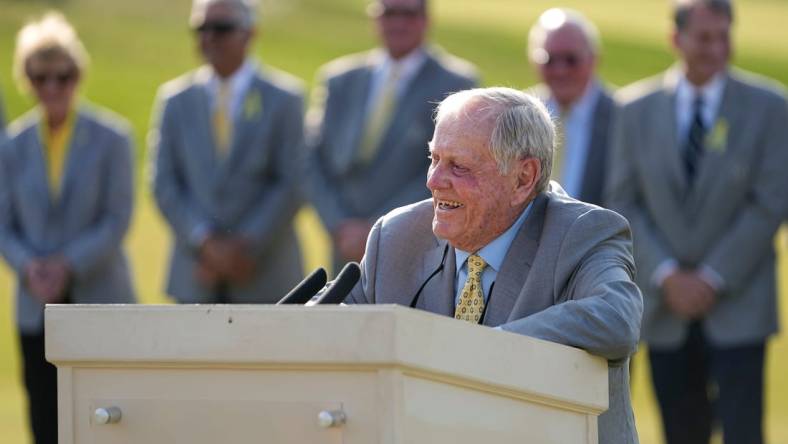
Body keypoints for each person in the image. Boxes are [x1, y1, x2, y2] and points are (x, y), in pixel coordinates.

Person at [347, 87, 643, 444]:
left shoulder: (584, 234)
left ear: (523, 178)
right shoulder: (396, 236)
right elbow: (340, 325)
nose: (434, 181)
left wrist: (484, 350)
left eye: (458, 166)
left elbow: (616, 318)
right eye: (434, 158)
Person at [606, 1, 788, 443]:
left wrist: (710, 277)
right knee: (681, 432)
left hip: (739, 305)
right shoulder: (634, 109)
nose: (715, 48)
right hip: (665, 308)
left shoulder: (770, 107)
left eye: (723, 36)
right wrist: (667, 274)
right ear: (677, 39)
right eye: (704, 37)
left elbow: (769, 203)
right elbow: (623, 201)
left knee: (744, 432)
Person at [0, 12, 137, 444]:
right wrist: (30, 267)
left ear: (78, 76)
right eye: (41, 77)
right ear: (28, 80)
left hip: (101, 299)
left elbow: (117, 217)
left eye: (63, 75)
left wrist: (67, 265)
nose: (53, 87)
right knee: (44, 419)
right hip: (34, 305)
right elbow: (3, 223)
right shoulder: (13, 145)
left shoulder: (113, 137)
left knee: (109, 421)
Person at [150, 0, 305, 303]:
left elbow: (292, 182)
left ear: (249, 34)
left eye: (220, 28)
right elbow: (163, 182)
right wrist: (204, 242)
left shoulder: (285, 99)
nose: (208, 37)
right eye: (201, 28)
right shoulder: (174, 100)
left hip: (265, 272)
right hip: (195, 274)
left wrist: (243, 245)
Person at [306, 0, 477, 272]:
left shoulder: (456, 84)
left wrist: (380, 228)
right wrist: (338, 224)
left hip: (413, 243)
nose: (398, 23)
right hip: (343, 243)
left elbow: (452, 169)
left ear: (425, 19)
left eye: (408, 14)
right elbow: (312, 158)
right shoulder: (339, 79)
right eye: (389, 13)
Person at [526, 8, 614, 206]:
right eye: (549, 60)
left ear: (593, 59)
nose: (560, 70)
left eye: (571, 60)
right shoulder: (519, 114)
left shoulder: (622, 116)